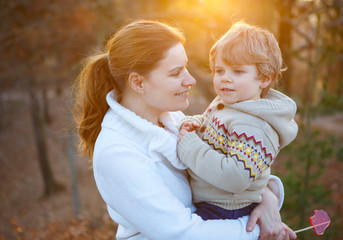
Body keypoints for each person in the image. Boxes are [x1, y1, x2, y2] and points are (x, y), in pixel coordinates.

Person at [73, 19, 296, 240]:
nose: (190, 80)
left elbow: (230, 165)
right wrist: (257, 231)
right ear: (138, 83)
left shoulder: (171, 118)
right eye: (176, 72)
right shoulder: (117, 152)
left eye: (186, 68)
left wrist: (267, 198)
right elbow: (180, 233)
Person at [177, 22, 298, 221]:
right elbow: (210, 122)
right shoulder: (229, 101)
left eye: (238, 72)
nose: (225, 78)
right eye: (219, 70)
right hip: (208, 202)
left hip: (225, 210)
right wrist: (193, 123)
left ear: (265, 78)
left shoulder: (256, 127)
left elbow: (234, 178)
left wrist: (189, 146)